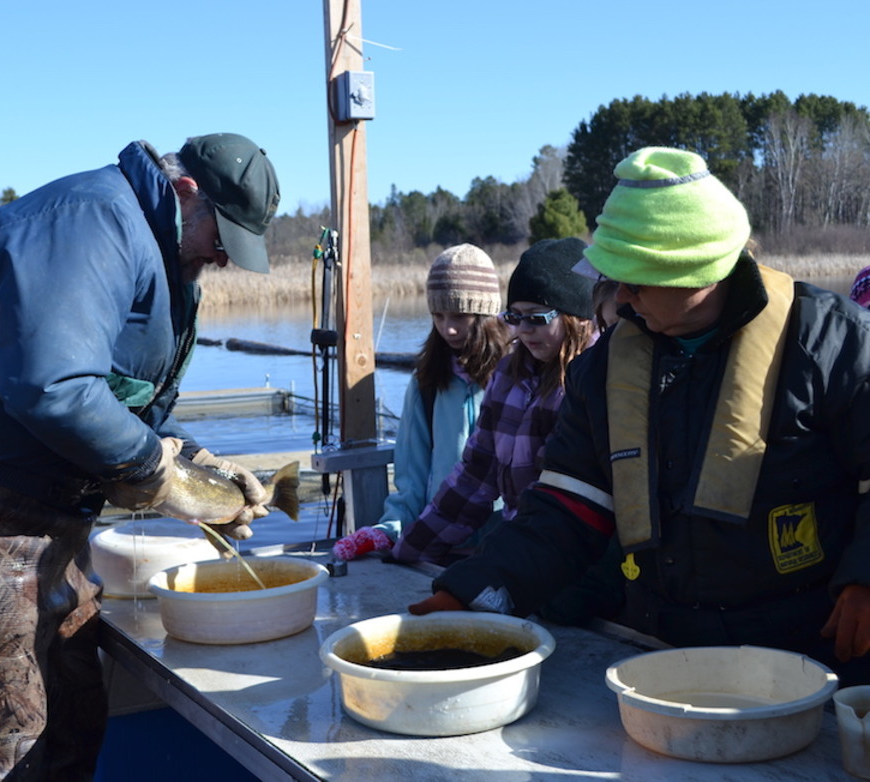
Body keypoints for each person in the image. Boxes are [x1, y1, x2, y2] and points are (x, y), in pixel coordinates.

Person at [0, 133, 280, 780]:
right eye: (222, 239)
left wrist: (197, 458)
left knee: (75, 707)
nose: (223, 258)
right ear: (187, 193)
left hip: (54, 508)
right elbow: (53, 389)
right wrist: (159, 475)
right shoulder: (89, 223)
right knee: (2, 738)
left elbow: (130, 398)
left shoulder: (164, 251)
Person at [410, 146, 870, 683]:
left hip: (812, 650)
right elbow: (564, 509)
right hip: (660, 647)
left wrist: (863, 580)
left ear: (698, 272)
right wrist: (470, 590)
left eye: (637, 282)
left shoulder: (833, 342)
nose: (622, 300)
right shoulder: (606, 369)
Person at [391, 237, 597, 567]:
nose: (524, 331)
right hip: (511, 555)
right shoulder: (508, 377)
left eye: (537, 318)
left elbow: (563, 501)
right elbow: (474, 476)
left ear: (578, 316)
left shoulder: (596, 381)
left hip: (572, 561)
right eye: (515, 318)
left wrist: (495, 564)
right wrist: (405, 551)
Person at [333, 244, 509, 561]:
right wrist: (386, 531)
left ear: (486, 314)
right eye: (438, 316)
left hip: (504, 548)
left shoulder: (518, 377)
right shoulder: (425, 382)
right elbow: (412, 480)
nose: (448, 329)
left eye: (459, 315)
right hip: (441, 546)